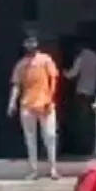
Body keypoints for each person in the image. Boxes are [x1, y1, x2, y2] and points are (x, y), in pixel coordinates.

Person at [8, 33, 60, 179]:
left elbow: (53, 79)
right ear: (24, 45)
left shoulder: (46, 59)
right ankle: (33, 170)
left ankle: (53, 169)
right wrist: (12, 102)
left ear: (37, 43)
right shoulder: (21, 64)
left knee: (50, 136)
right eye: (28, 42)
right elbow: (16, 85)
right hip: (27, 104)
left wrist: (50, 98)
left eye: (32, 42)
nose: (30, 45)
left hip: (45, 104)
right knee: (30, 139)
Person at [64, 39, 96, 154]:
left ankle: (83, 147)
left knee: (82, 120)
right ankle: (93, 146)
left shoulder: (81, 58)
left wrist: (63, 73)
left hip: (82, 92)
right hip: (92, 91)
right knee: (92, 119)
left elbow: (72, 74)